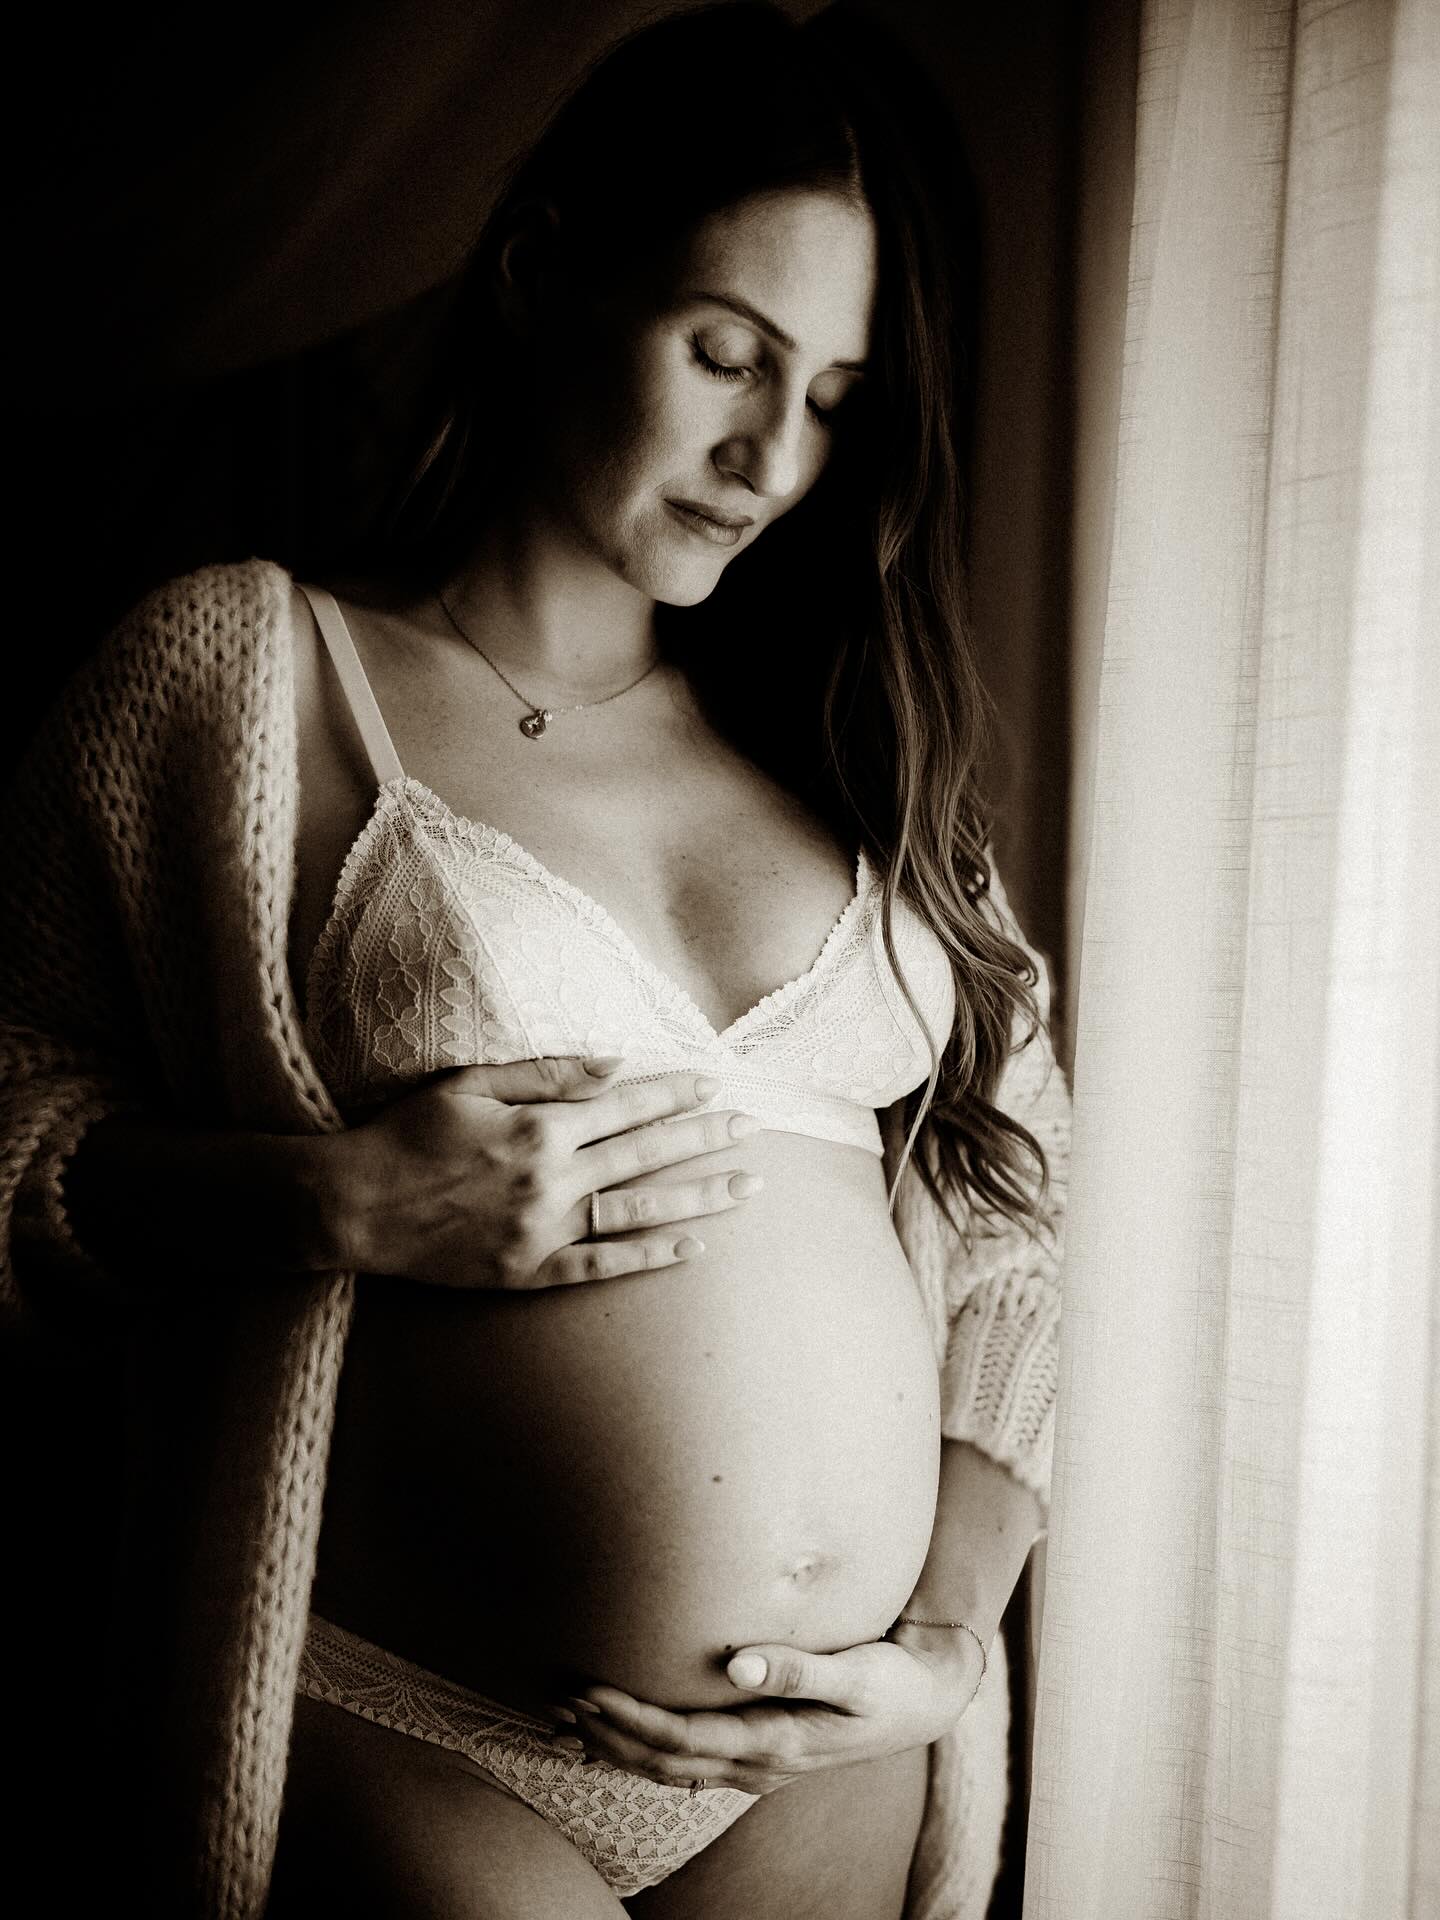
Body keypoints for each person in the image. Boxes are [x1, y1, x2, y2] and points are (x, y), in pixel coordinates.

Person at [0, 4, 1069, 1915]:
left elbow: (1018, 1235)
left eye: (829, 398)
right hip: (406, 1721)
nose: (769, 450)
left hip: (814, 1766)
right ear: (544, 273)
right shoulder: (244, 678)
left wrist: (939, 1643)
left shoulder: (860, 769)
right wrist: (328, 1201)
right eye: (725, 352)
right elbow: (11, 1124)